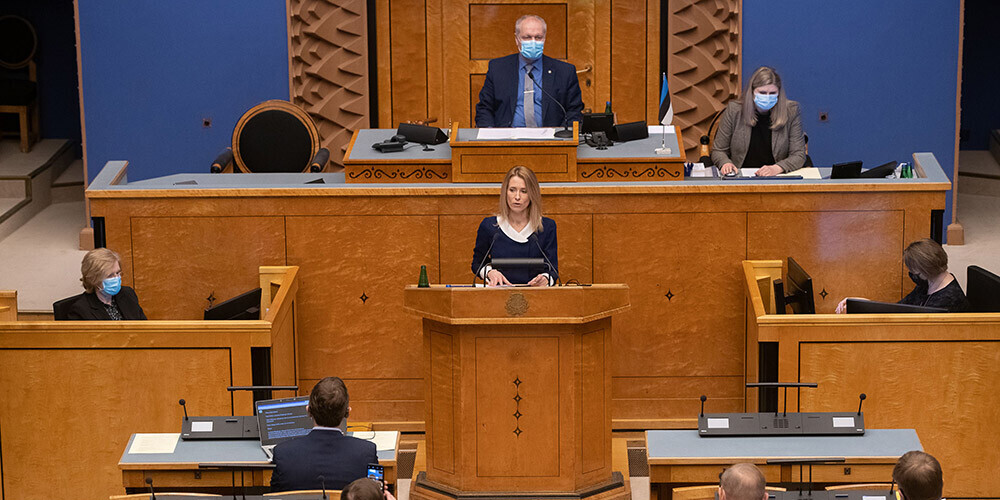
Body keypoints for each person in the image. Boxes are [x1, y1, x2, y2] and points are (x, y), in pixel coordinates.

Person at [474, 15, 584, 128]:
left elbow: (574, 111)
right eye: (527, 37)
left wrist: (561, 136)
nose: (533, 42)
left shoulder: (565, 71)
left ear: (544, 38)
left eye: (538, 37)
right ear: (517, 39)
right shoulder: (498, 68)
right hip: (506, 139)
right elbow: (484, 108)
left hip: (551, 140)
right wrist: (490, 135)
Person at [270, 377, 378, 492]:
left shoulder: (283, 453)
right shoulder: (367, 452)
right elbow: (373, 495)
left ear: (308, 410)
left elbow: (274, 495)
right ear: (347, 412)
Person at [711, 66, 806, 177]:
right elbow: (718, 150)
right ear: (752, 92)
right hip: (740, 177)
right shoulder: (734, 110)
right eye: (762, 92)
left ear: (779, 93)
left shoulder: (791, 111)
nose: (767, 97)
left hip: (777, 178)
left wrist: (777, 168)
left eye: (772, 93)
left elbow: (799, 155)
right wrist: (725, 163)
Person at [471, 166, 557, 286]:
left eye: (524, 191)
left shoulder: (547, 227)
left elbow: (553, 269)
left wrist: (546, 278)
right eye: (512, 190)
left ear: (532, 194)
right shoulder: (490, 226)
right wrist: (489, 272)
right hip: (498, 296)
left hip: (537, 296)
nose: (517, 197)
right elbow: (477, 263)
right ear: (505, 192)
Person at [835, 239, 970, 313]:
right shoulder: (929, 282)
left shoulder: (948, 300)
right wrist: (857, 302)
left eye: (914, 272)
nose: (911, 274)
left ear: (925, 270)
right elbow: (897, 309)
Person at [64, 248, 147, 320]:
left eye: (118, 273)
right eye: (110, 275)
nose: (116, 278)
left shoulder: (128, 294)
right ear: (94, 279)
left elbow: (145, 329)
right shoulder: (80, 310)